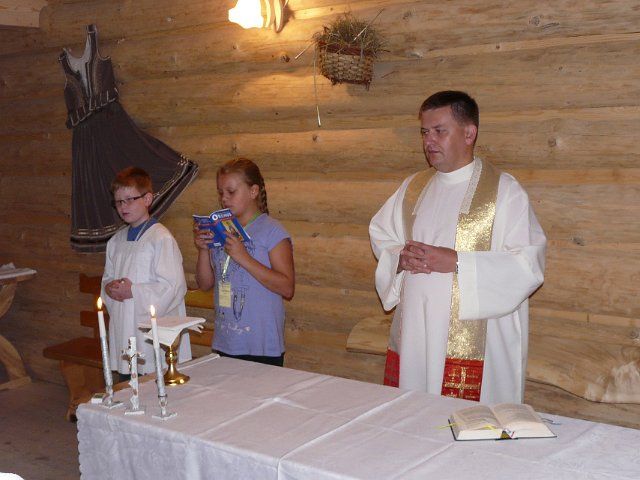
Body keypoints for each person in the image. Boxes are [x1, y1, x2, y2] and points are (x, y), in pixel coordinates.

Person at [369, 91, 546, 404]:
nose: (429, 141)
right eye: (425, 132)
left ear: (469, 133)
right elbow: (383, 235)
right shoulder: (413, 188)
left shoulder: (504, 191)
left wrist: (458, 262)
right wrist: (400, 259)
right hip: (416, 333)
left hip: (476, 341)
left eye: (439, 131)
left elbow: (528, 265)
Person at [193, 158, 294, 366]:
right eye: (220, 192)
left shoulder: (272, 231)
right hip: (225, 341)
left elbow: (287, 288)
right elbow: (205, 284)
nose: (224, 198)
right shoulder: (222, 230)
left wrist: (244, 257)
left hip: (261, 345)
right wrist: (203, 250)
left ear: (253, 191)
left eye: (231, 192)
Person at [102, 167, 191, 378]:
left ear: (148, 199)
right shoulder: (116, 241)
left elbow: (173, 287)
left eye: (129, 200)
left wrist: (133, 291)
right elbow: (107, 277)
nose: (123, 207)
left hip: (152, 331)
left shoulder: (160, 238)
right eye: (118, 202)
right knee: (128, 383)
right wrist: (109, 288)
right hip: (125, 325)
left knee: (153, 382)